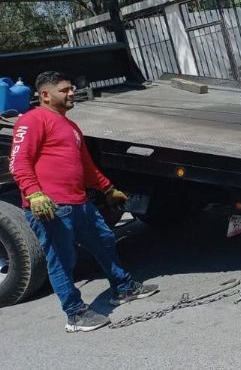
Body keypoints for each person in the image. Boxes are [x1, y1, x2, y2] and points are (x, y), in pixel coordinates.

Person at [9, 71, 158, 332]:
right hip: (51, 207)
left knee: (104, 241)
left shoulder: (71, 126)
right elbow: (18, 162)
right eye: (64, 90)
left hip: (79, 202)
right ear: (45, 95)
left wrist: (108, 189)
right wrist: (34, 193)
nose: (71, 93)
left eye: (70, 89)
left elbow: (86, 166)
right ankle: (75, 314)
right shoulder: (32, 120)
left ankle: (122, 288)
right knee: (61, 260)